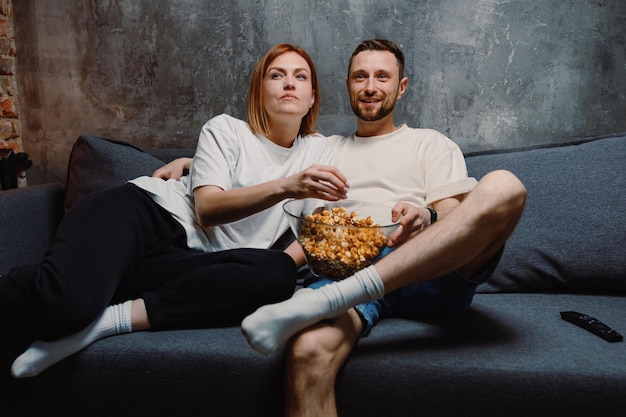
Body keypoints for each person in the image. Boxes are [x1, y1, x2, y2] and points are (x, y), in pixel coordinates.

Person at [0, 43, 351, 380]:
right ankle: (18, 284)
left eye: (301, 77)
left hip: (189, 264)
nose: (289, 82)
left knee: (278, 273)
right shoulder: (226, 129)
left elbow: (317, 229)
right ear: (259, 92)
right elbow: (209, 209)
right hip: (142, 215)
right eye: (276, 75)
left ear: (312, 97)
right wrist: (288, 185)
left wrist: (281, 264)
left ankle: (108, 321)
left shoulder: (320, 151)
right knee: (64, 307)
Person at [238, 39, 527, 417]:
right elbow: (260, 160)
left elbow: (457, 218)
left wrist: (428, 216)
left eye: (381, 77)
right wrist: (189, 166)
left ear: (400, 86)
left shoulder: (430, 144)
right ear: (348, 84)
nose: (370, 86)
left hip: (430, 269)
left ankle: (335, 298)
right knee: (307, 351)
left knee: (506, 184)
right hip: (347, 270)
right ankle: (342, 295)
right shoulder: (321, 149)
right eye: (361, 76)